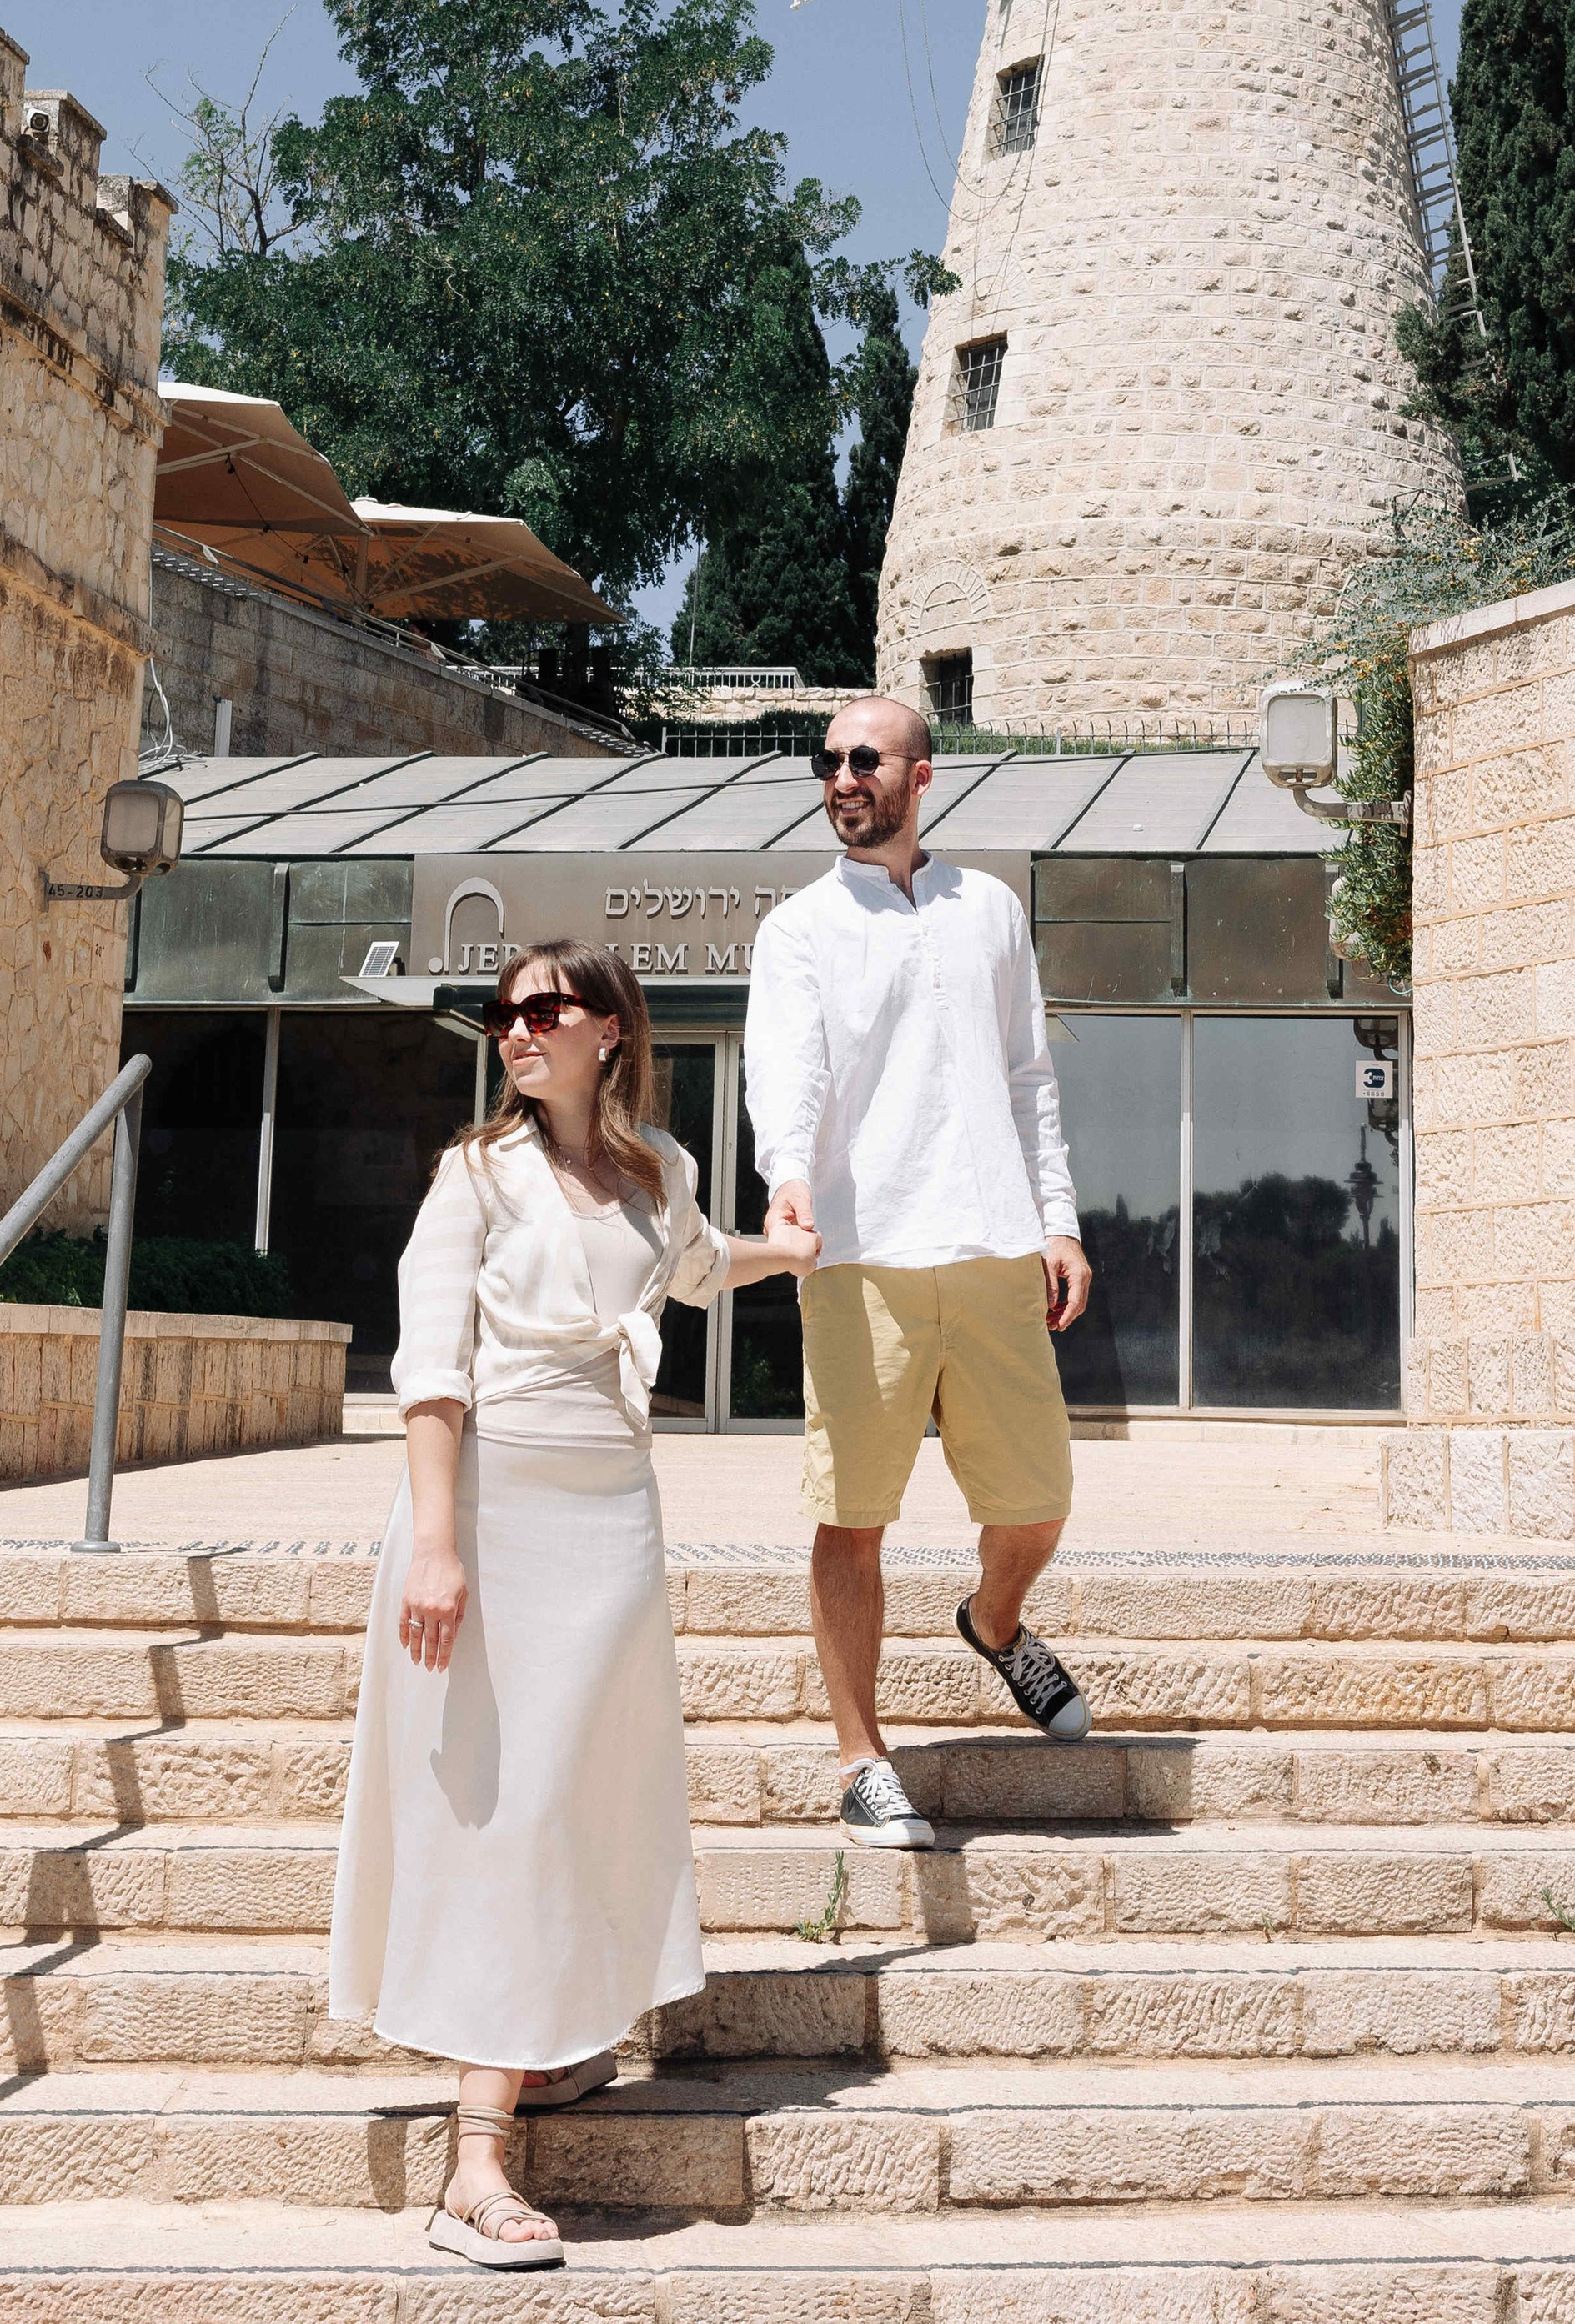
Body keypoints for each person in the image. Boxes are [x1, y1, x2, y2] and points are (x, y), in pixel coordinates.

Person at [329, 940, 818, 2271]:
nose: (514, 1031)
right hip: (493, 1512)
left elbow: (704, 1263)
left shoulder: (662, 1168)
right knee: (510, 1805)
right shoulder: (473, 1174)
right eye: (502, 1014)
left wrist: (794, 1253)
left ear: (611, 1027)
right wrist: (436, 1545)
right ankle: (473, 2158)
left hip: (613, 1519)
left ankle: (557, 2044)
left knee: (590, 1791)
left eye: (542, 1009)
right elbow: (431, 1369)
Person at [743, 694, 1093, 1851]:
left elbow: (1033, 1077)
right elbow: (784, 1074)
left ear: (921, 774)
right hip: (862, 1255)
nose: (842, 777)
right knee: (852, 1520)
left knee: (1038, 1505)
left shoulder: (988, 908)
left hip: (994, 1244)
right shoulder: (797, 929)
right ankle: (861, 1757)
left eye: (865, 759)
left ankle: (995, 1626)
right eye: (829, 761)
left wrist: (1061, 1220)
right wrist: (788, 1176)